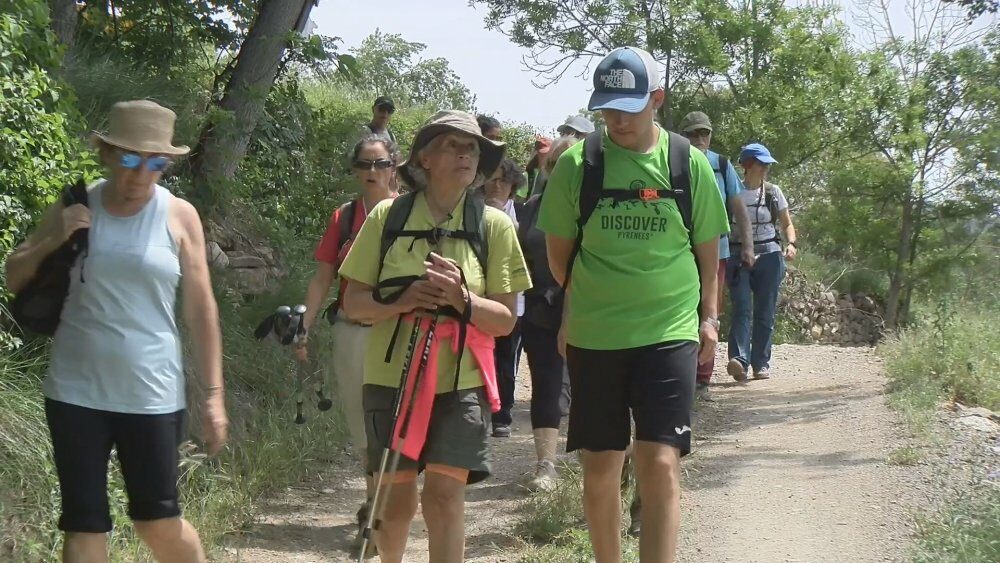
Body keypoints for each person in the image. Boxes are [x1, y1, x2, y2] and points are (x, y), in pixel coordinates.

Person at [5, 100, 228, 562]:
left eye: (156, 163)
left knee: (157, 521)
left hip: (152, 393)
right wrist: (54, 237)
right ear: (107, 154)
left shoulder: (180, 215)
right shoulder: (76, 203)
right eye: (129, 159)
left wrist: (213, 395)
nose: (141, 174)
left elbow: (201, 309)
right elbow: (13, 275)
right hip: (75, 390)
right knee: (84, 521)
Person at [538, 47, 728, 562]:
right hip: (596, 335)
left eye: (629, 106)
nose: (617, 119)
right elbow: (560, 259)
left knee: (660, 462)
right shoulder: (580, 164)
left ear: (657, 100)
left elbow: (708, 254)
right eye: (608, 108)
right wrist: (585, 305)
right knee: (601, 467)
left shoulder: (688, 164)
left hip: (669, 331)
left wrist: (709, 319)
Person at [339, 110, 531, 562]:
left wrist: (462, 299)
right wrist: (403, 300)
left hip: (462, 379)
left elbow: (505, 321)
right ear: (425, 158)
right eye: (453, 145)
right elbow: (353, 304)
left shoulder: (494, 225)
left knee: (445, 496)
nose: (466, 154)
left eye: (472, 149)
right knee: (396, 500)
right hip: (391, 377)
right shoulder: (388, 216)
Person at [294, 134, 399, 550]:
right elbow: (323, 277)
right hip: (352, 332)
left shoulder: (411, 214)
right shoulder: (344, 218)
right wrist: (304, 324)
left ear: (395, 165)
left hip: (398, 334)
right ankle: (374, 506)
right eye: (365, 165)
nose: (373, 172)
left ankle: (381, 510)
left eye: (380, 164)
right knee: (362, 424)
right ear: (355, 170)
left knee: (393, 427)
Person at [517, 134, 580, 491]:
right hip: (540, 306)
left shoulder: (595, 207)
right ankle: (546, 466)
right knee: (545, 382)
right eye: (556, 164)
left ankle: (605, 459)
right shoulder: (532, 207)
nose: (563, 170)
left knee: (594, 387)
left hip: (590, 308)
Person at [678, 111, 754, 401]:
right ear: (683, 136)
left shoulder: (721, 165)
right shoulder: (671, 162)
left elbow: (739, 209)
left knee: (709, 311)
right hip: (679, 250)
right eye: (693, 134)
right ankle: (679, 372)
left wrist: (747, 246)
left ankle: (701, 379)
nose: (699, 139)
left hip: (716, 251)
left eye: (704, 133)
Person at [726, 143, 798, 381]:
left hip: (770, 256)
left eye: (767, 164)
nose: (766, 168)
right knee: (742, 308)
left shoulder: (773, 192)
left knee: (765, 311)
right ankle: (739, 360)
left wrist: (791, 243)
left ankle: (761, 364)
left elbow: (786, 223)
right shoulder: (731, 190)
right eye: (761, 163)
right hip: (737, 256)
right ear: (747, 165)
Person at [480, 158, 527, 438]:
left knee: (506, 359)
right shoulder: (470, 211)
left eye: (504, 181)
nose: (497, 186)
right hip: (479, 298)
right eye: (493, 179)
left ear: (513, 187)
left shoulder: (523, 213)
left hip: (514, 301)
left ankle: (503, 414)